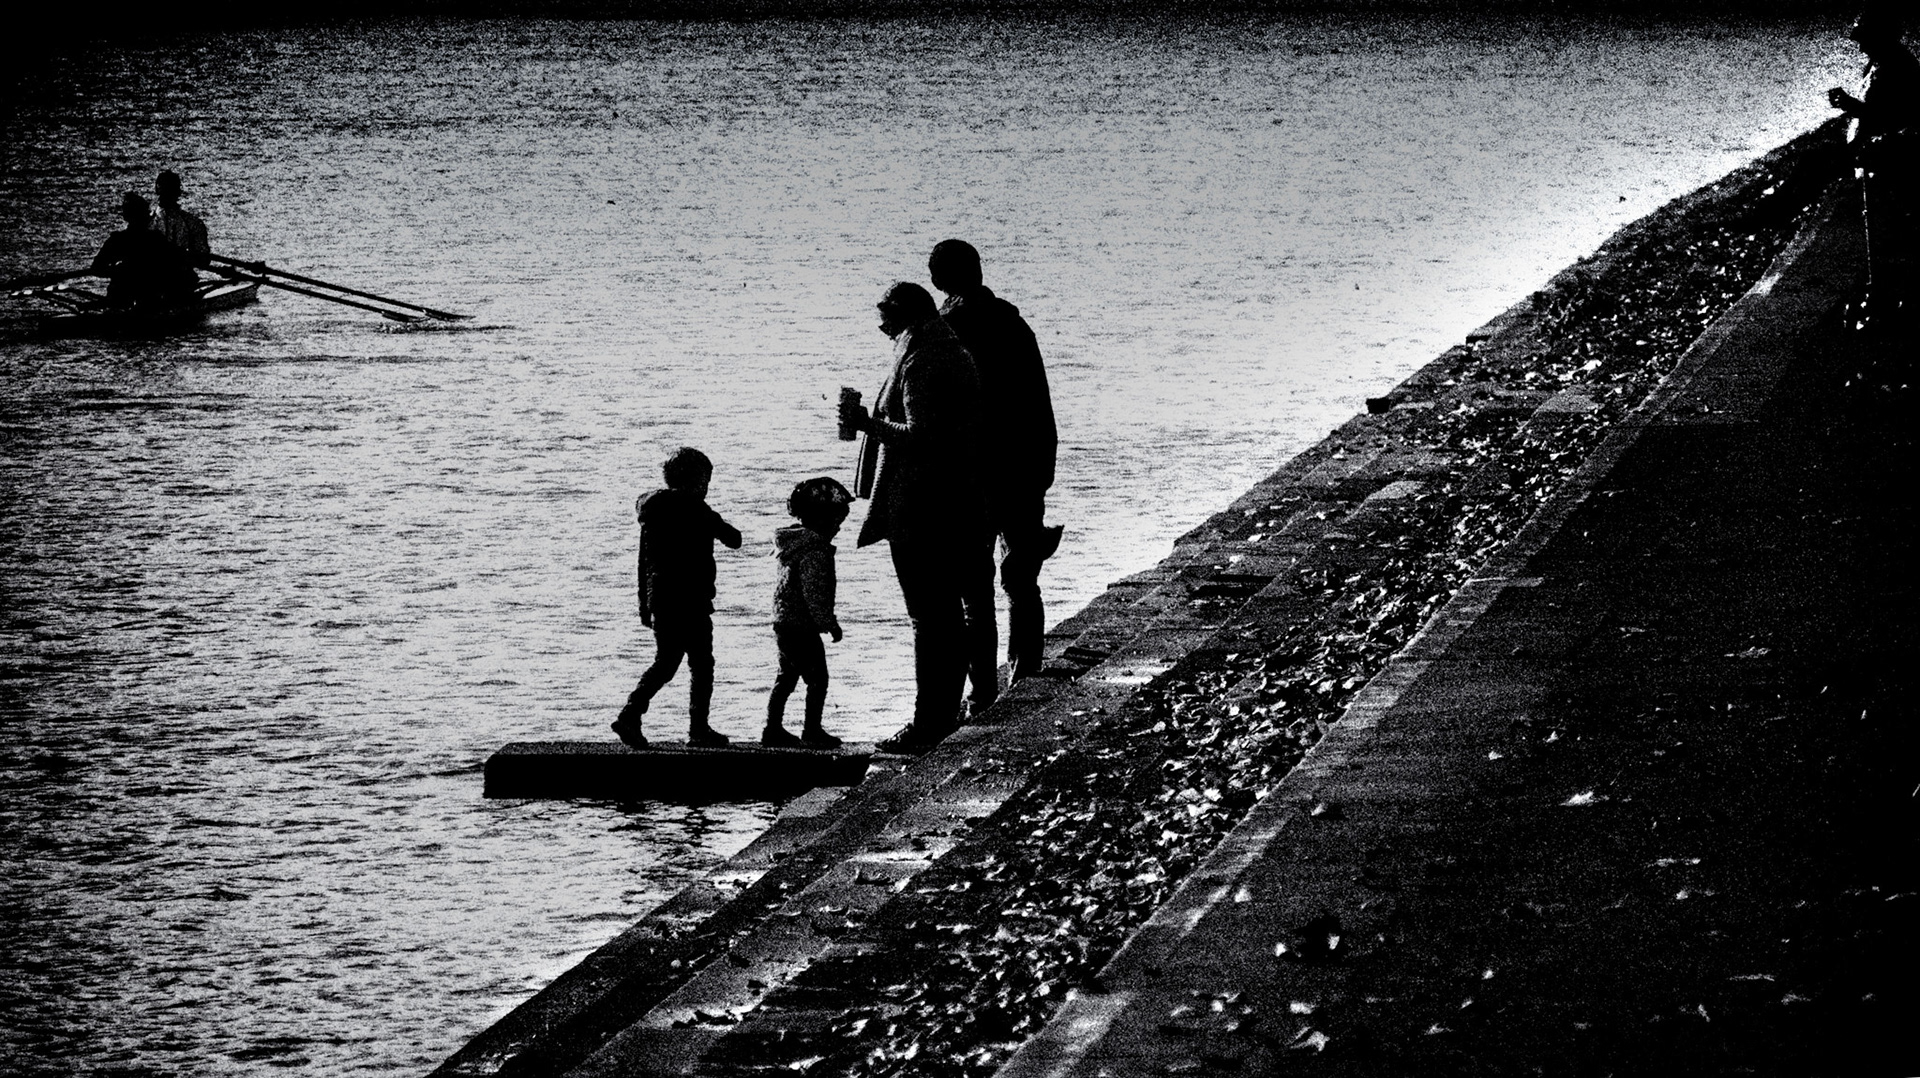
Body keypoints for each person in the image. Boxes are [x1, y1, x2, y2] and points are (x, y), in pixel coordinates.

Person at [841, 281, 988, 755]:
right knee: (946, 614)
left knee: (930, 617)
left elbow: (921, 434)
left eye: (884, 314)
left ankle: (930, 721)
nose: (879, 325)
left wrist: (867, 423)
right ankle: (950, 709)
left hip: (924, 504)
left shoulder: (923, 359)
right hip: (955, 498)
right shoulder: (943, 347)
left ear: (904, 315)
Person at [929, 239, 1064, 698]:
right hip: (1024, 466)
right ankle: (1024, 669)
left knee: (974, 589)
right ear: (979, 271)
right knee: (1021, 578)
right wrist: (1043, 466)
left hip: (974, 473)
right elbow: (1038, 403)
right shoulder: (1013, 323)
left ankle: (982, 690)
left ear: (937, 280)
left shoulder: (946, 330)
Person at [613, 447, 742, 749]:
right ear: (697, 481)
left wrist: (645, 605)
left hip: (661, 600)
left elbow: (643, 562)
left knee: (665, 662)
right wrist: (716, 522)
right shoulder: (698, 510)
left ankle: (631, 714)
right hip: (692, 601)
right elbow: (734, 539)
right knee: (702, 664)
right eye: (706, 482)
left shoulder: (652, 514)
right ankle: (698, 729)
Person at [1828, 7, 1920, 329]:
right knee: (1882, 229)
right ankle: (1885, 295)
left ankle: (1886, 300)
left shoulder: (1896, 67)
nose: (1861, 47)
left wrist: (1849, 105)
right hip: (1876, 157)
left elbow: (1889, 116)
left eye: (1865, 39)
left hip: (1887, 159)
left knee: (1885, 230)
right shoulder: (1887, 63)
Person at [762, 477, 853, 749]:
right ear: (822, 519)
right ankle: (811, 730)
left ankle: (772, 728)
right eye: (836, 521)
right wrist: (829, 623)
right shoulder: (815, 551)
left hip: (783, 622)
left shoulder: (792, 544)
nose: (838, 527)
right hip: (801, 626)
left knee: (786, 678)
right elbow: (814, 593)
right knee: (818, 680)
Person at [87, 192, 198, 310]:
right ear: (145, 216)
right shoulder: (155, 239)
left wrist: (117, 271)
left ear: (126, 217)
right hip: (148, 299)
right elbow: (182, 258)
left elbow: (96, 269)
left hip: (125, 298)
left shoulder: (117, 240)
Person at [152, 170, 211, 269]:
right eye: (165, 190)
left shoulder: (193, 224)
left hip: (182, 277)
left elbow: (204, 260)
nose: (166, 195)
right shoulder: (146, 222)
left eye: (169, 190)